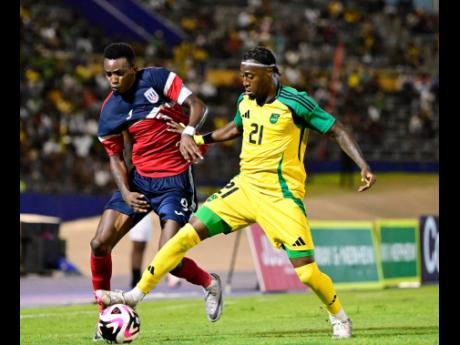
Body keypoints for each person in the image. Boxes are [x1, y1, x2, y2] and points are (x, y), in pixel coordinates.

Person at [97, 46, 376, 339]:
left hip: (280, 196)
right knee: (184, 237)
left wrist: (363, 165)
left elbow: (337, 130)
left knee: (306, 272)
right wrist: (196, 137)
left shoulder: (295, 103)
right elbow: (234, 129)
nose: (244, 81)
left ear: (268, 74)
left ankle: (339, 317)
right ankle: (135, 296)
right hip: (243, 188)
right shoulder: (245, 100)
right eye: (242, 75)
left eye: (250, 76)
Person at [90, 42, 223, 340]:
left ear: (134, 70)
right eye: (108, 74)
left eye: (119, 73)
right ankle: (105, 315)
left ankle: (209, 283)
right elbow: (114, 156)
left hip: (174, 181)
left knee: (171, 260)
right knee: (99, 243)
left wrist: (189, 132)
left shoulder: (158, 79)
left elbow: (198, 105)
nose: (113, 80)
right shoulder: (110, 110)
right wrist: (125, 192)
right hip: (139, 181)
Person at [129, 211, 182, 289]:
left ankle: (172, 272)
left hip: (166, 206)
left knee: (170, 240)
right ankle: (136, 280)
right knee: (139, 244)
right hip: (143, 207)